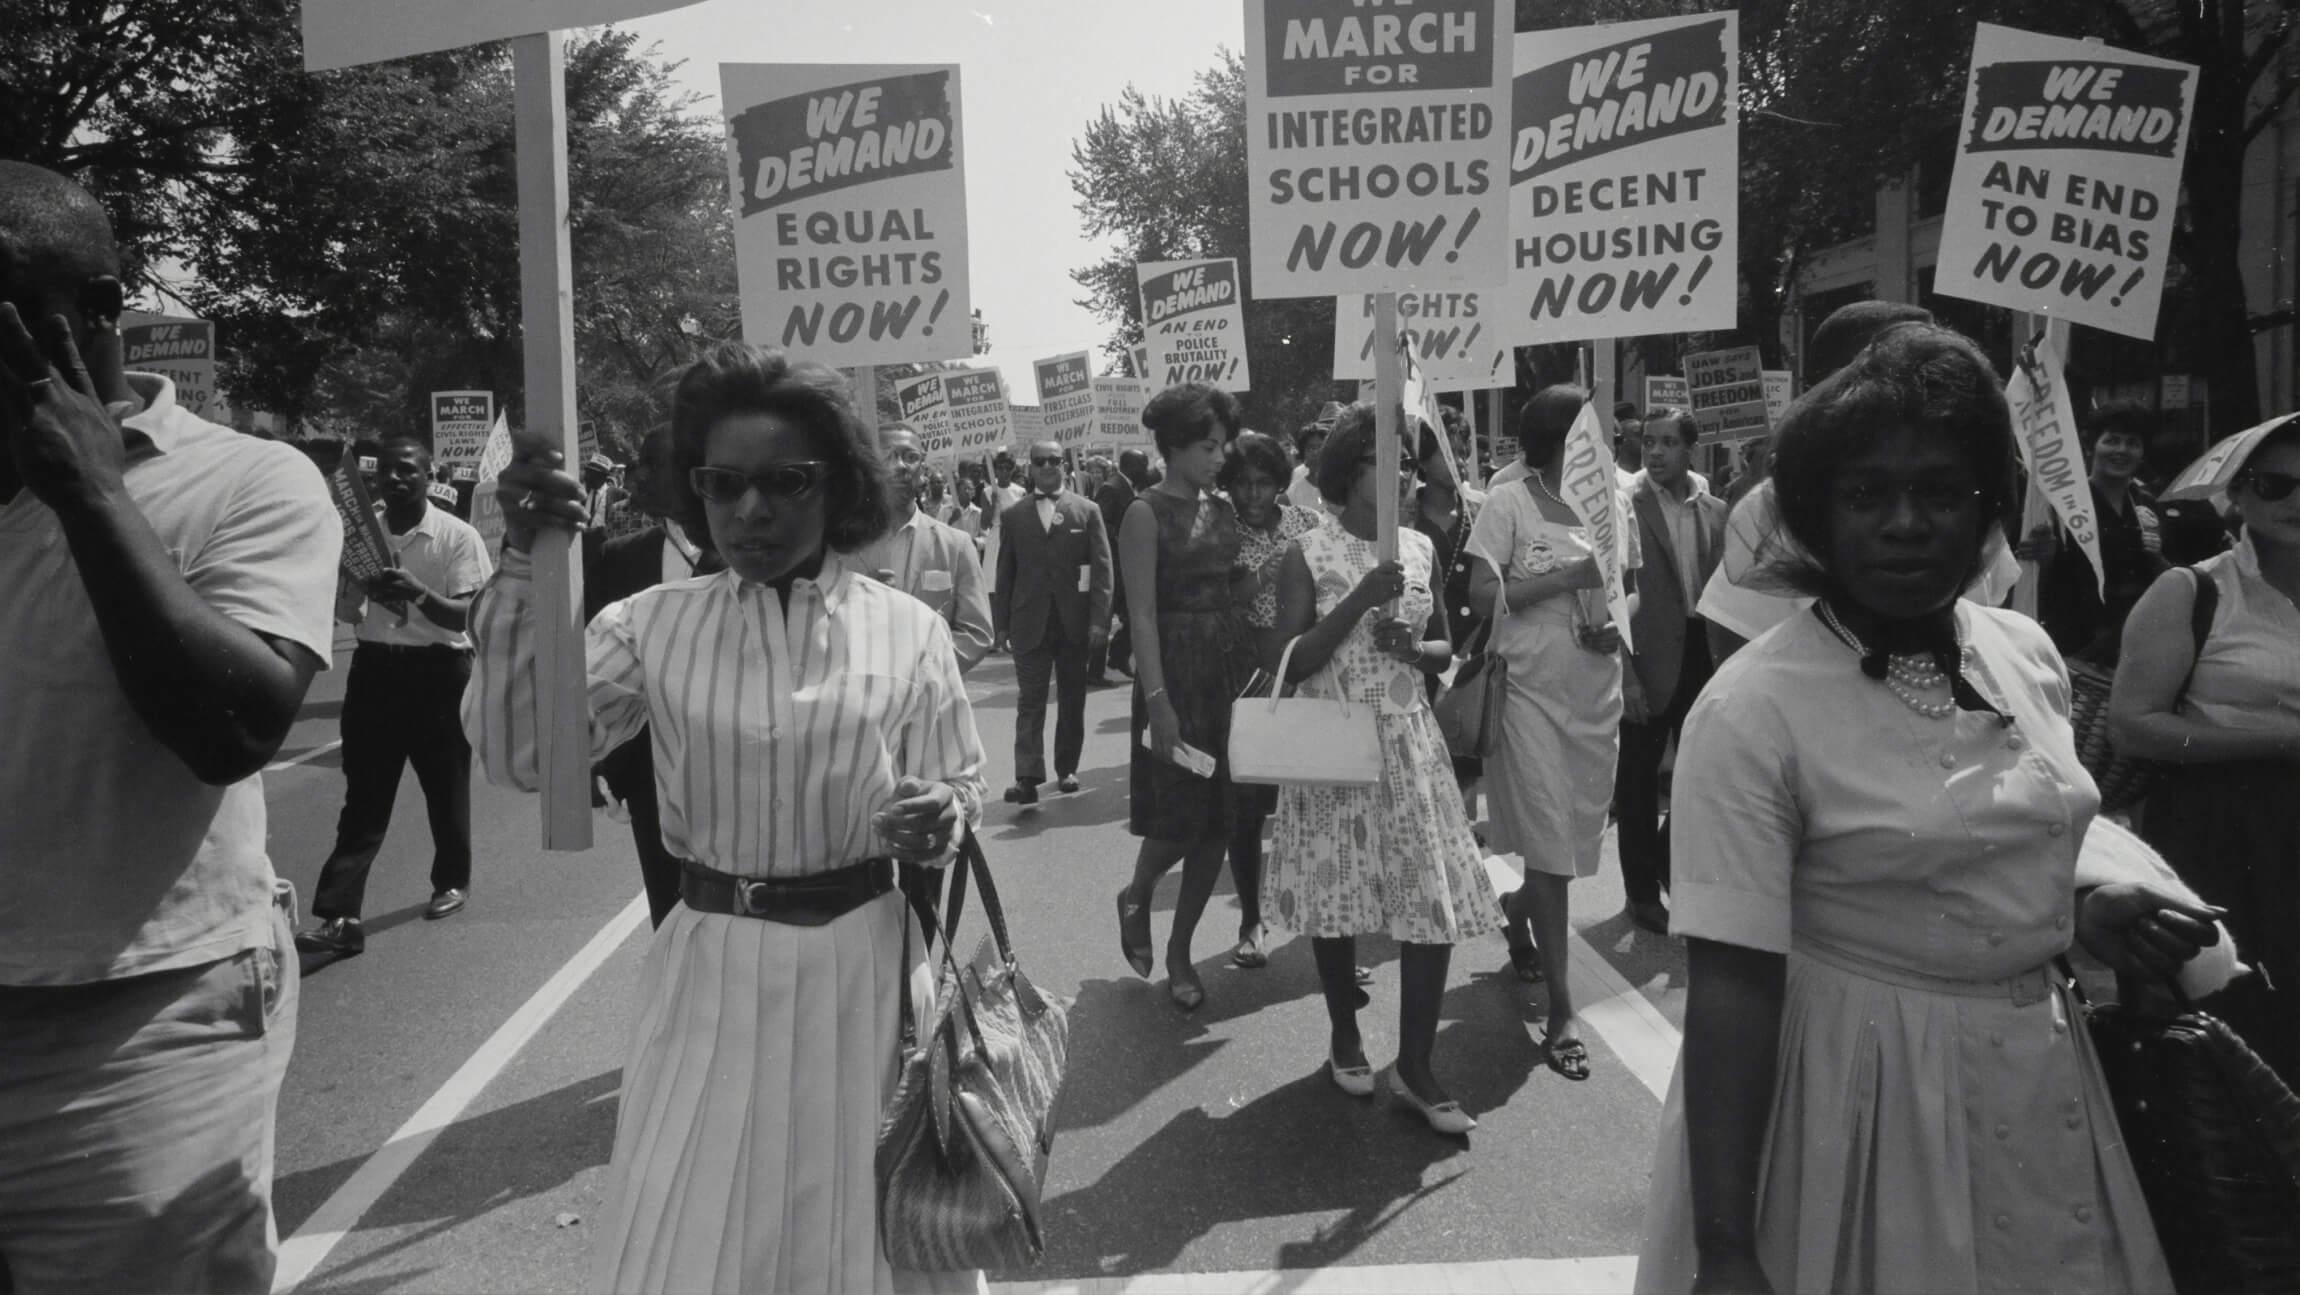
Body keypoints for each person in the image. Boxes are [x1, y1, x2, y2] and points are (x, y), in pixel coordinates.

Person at [1637, 323, 2218, 1295]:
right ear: (1817, 517)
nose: (1903, 521)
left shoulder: (2024, 653)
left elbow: (1981, 849)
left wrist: (2073, 919)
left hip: (2038, 1078)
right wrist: (1726, 1246)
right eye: (1866, 494)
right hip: (1853, 1103)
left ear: (1986, 511)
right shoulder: (1749, 708)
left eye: (1938, 493)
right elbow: (1731, 988)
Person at [469, 342, 984, 1294]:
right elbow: (524, 754)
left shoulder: (908, 628)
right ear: (692, 489)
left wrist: (939, 813)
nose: (751, 509)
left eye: (785, 482)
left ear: (837, 486)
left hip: (865, 972)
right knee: (690, 1236)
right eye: (722, 483)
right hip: (710, 966)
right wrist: (518, 569)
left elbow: (958, 781)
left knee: (864, 1242)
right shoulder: (648, 624)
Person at [0, 161, 341, 1292]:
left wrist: (91, 494)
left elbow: (232, 727)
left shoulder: (247, 481)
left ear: (90, 313)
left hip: (137, 1028)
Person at [1262, 404, 1507, 1133]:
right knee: (1338, 901)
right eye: (1383, 457)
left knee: (1427, 905)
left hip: (1410, 743)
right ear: (1349, 469)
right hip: (1335, 743)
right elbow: (1290, 660)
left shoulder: (1420, 549)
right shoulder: (1311, 550)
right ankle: (1345, 1031)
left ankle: (1417, 1064)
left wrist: (1415, 647)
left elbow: (1447, 653)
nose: (1400, 469)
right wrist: (1360, 603)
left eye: (1406, 456)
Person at [2112, 415, 2300, 1085]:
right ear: (2237, 496)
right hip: (2222, 829)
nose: (2295, 500)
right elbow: (2132, 723)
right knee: (2240, 1025)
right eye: (2275, 483)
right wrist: (2280, 739)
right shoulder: (2194, 590)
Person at [1466, 383, 1640, 1081]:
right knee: (1549, 846)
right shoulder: (1507, 500)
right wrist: (1562, 577)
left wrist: (1613, 624)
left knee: (1566, 840)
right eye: (1587, 431)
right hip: (1528, 693)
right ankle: (1564, 1009)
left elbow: (1630, 584)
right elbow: (1481, 595)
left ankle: (1517, 913)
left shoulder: (1612, 505)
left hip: (1595, 694)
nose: (1601, 442)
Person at [297, 434, 492, 955]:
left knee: (444, 787)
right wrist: (357, 589)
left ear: (429, 474)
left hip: (440, 674)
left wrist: (417, 594)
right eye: (387, 471)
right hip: (376, 673)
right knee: (364, 796)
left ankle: (451, 880)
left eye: (409, 470)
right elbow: (345, 616)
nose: (397, 479)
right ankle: (340, 915)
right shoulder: (360, 537)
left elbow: (469, 616)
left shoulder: (457, 536)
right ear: (373, 477)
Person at [1113, 386, 1255, 1009]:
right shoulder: (1144, 513)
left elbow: (1234, 590)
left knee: (1220, 823)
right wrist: (1159, 700)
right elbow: (1141, 616)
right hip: (1173, 678)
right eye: (1207, 446)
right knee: (1178, 818)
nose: (1219, 457)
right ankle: (1138, 889)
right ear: (1172, 447)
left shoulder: (1224, 512)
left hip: (1225, 678)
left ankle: (1179, 951)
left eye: (1222, 446)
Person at [582, 427, 717, 928]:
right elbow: (589, 671)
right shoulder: (619, 558)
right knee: (673, 921)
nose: (636, 476)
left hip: (741, 773)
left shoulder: (758, 559)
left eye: (649, 464)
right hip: (650, 779)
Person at [1616, 409, 1727, 936]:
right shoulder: (1624, 508)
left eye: (1666, 443)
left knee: (1702, 777)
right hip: (1647, 660)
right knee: (1638, 784)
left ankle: (1667, 863)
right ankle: (1641, 894)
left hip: (1704, 656)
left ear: (1691, 450)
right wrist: (1626, 675)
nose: (1654, 452)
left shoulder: (1715, 511)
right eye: (1647, 442)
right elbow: (1613, 596)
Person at [1220, 430, 1323, 970]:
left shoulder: (1309, 524)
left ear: (1282, 485)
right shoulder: (1222, 531)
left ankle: (1326, 928)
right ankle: (1251, 920)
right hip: (1251, 679)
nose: (1253, 495)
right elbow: (1221, 600)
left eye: (1263, 484)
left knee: (1313, 804)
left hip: (1308, 675)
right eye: (1242, 484)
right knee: (1247, 810)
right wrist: (1267, 571)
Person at [994, 439, 1113, 804]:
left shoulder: (1087, 510)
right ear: (1029, 468)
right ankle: (1027, 776)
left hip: (1073, 623)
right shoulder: (1014, 516)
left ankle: (1067, 769)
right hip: (1029, 622)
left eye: (1054, 461)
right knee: (1030, 700)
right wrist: (1001, 625)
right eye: (1040, 461)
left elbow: (1104, 571)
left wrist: (1099, 621)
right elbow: (1005, 573)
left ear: (1064, 465)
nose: (1047, 467)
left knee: (1072, 699)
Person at [2027, 403, 2170, 667]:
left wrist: (2157, 556)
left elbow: (2167, 579)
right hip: (2075, 650)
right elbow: (2036, 577)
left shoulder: (2147, 504)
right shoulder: (2062, 504)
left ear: (2142, 453)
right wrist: (2044, 558)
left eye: (2132, 443)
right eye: (2111, 441)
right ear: (2092, 446)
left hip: (2134, 647)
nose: (2121, 451)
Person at [856, 422, 994, 674]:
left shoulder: (956, 545)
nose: (899, 466)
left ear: (923, 468)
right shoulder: (841, 546)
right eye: (887, 455)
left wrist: (919, 669)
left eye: (910, 457)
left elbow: (977, 634)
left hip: (932, 700)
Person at [1091, 447, 1150, 682]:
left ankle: (1118, 655)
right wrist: (1125, 535)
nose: (1146, 470)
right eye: (1143, 465)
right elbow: (1100, 524)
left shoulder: (1125, 486)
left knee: (1133, 616)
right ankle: (1095, 671)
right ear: (1131, 466)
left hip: (1125, 565)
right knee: (1104, 619)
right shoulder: (1112, 488)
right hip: (1112, 566)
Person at [1287, 401, 1342, 511]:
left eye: (1338, 427)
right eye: (1311, 447)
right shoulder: (1297, 475)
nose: (1316, 452)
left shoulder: (1347, 478)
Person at [1613, 400, 1644, 480]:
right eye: (1638, 434)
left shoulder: (1652, 477)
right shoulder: (1611, 476)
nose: (1645, 440)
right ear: (1621, 439)